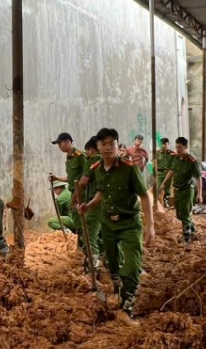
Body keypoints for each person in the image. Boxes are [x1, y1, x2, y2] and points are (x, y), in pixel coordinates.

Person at [78, 127, 155, 317]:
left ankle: (126, 308)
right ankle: (119, 286)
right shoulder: (97, 170)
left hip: (129, 224)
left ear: (117, 145)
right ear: (98, 147)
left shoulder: (129, 169)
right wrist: (89, 205)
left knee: (132, 267)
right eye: (103, 144)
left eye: (111, 143)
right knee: (112, 266)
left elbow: (145, 196)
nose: (108, 148)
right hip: (108, 224)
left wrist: (150, 225)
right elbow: (102, 192)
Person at [160, 136, 200, 243]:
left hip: (187, 190)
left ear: (186, 147)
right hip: (177, 190)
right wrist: (163, 184)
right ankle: (192, 230)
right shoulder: (174, 157)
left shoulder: (192, 160)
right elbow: (171, 171)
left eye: (180, 147)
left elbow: (198, 177)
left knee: (185, 214)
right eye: (176, 147)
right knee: (179, 215)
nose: (178, 149)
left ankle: (187, 238)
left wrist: (199, 194)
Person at [76, 136, 104, 267]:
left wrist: (74, 198)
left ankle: (93, 264)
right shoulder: (110, 160)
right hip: (110, 203)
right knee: (105, 233)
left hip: (95, 201)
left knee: (89, 232)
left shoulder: (94, 160)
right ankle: (107, 260)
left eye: (87, 152)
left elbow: (83, 181)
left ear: (91, 150)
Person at [49, 132, 88, 211]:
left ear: (67, 141)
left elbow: (88, 175)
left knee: (81, 219)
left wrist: (78, 194)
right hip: (73, 192)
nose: (59, 146)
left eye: (60, 143)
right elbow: (70, 178)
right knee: (76, 218)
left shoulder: (80, 156)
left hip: (82, 193)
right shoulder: (69, 160)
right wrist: (56, 178)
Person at [154, 138, 174, 208]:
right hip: (160, 173)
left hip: (168, 173)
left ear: (168, 144)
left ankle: (166, 203)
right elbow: (155, 164)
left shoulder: (172, 154)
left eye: (165, 144)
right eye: (162, 144)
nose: (163, 146)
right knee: (158, 188)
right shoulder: (157, 153)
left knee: (167, 189)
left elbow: (173, 165)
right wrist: (155, 174)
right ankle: (156, 203)